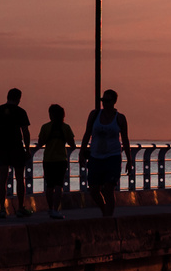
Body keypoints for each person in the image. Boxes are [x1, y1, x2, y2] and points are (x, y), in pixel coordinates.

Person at [80, 89, 129, 217]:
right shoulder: (94, 115)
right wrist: (81, 153)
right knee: (94, 190)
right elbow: (87, 134)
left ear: (114, 102)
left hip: (112, 157)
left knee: (109, 189)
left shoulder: (120, 118)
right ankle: (105, 211)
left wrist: (129, 160)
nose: (104, 103)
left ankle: (108, 218)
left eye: (107, 101)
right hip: (95, 156)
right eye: (103, 100)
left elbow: (125, 139)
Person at [0, 87, 33, 218]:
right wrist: (27, 148)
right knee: (19, 178)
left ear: (7, 97)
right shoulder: (20, 112)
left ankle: (2, 208)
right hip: (16, 147)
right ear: (18, 98)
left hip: (1, 147)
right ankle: (20, 208)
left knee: (2, 178)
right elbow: (25, 132)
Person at [35, 103, 76, 219]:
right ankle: (56, 209)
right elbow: (72, 144)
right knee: (59, 185)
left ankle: (50, 208)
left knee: (49, 185)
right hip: (61, 159)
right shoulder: (65, 127)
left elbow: (40, 142)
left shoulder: (45, 127)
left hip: (48, 159)